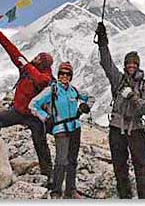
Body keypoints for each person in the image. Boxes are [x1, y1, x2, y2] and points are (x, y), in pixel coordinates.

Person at [0, 24, 53, 185]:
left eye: (38, 58)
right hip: (17, 111)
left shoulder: (46, 77)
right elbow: (11, 49)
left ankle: (48, 173)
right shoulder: (26, 68)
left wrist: (28, 66)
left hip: (33, 115)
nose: (34, 58)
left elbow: (40, 80)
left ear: (43, 63)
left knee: (40, 142)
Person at [94, 22, 145, 199]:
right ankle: (125, 198)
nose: (131, 66)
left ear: (138, 65)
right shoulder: (118, 79)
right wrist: (102, 42)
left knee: (143, 166)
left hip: (136, 129)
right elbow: (107, 63)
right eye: (128, 63)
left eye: (134, 63)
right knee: (119, 166)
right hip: (116, 128)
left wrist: (136, 97)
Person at [29, 61, 91, 199]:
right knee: (61, 160)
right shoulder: (52, 90)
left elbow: (90, 97)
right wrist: (45, 117)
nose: (65, 76)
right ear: (58, 75)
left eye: (68, 74)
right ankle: (56, 191)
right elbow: (33, 105)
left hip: (75, 127)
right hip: (60, 129)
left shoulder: (74, 90)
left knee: (72, 160)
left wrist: (86, 106)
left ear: (71, 76)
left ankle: (71, 190)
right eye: (62, 73)